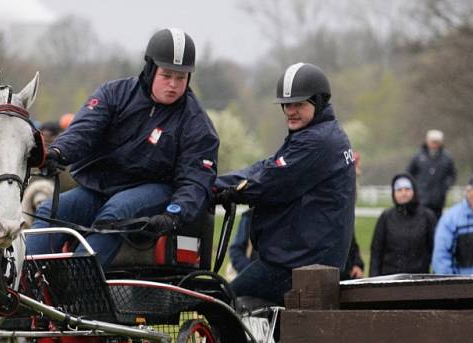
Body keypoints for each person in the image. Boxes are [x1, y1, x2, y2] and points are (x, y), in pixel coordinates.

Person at [27, 28, 219, 268]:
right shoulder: (114, 94)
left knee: (116, 214)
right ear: (150, 69)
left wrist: (172, 216)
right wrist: (57, 153)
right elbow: (83, 131)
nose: (173, 84)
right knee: (50, 211)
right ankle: (27, 279)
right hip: (100, 188)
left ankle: (77, 283)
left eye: (181, 78)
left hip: (155, 190)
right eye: (166, 75)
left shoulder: (197, 125)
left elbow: (195, 181)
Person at [214, 62, 356, 304]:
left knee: (222, 301)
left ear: (319, 101)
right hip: (308, 258)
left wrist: (224, 191)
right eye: (287, 104)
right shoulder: (325, 134)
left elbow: (268, 182)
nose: (291, 110)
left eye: (299, 104)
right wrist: (218, 183)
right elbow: (266, 167)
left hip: (298, 263)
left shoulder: (316, 142)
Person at [369, 173, 437, 276]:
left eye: (407, 189)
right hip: (390, 280)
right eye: (399, 190)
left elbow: (436, 251)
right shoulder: (386, 217)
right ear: (393, 193)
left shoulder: (427, 216)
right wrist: (374, 280)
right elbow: (376, 252)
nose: (403, 193)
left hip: (419, 280)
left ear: (414, 191)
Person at [406, 129, 457, 219]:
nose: (434, 144)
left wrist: (444, 187)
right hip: (421, 199)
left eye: (437, 142)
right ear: (427, 141)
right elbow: (409, 173)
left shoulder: (447, 158)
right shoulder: (418, 156)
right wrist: (416, 187)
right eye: (432, 141)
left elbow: (452, 175)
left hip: (438, 200)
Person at [225, 209, 258, 280]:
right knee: (227, 290)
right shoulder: (250, 216)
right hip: (252, 275)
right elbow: (236, 250)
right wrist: (251, 272)